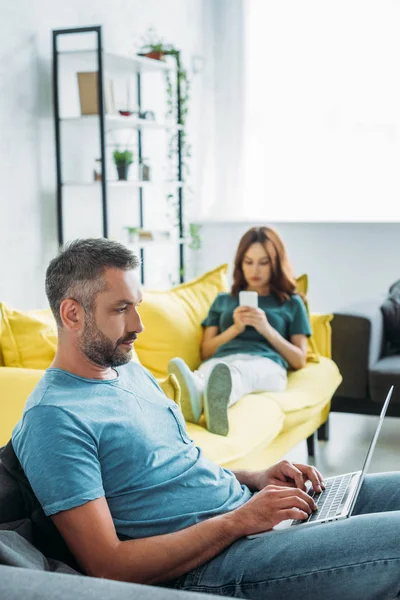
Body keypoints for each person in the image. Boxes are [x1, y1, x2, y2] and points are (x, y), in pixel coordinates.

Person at [12, 238, 400, 600]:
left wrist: (255, 477)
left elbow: (179, 466)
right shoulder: (54, 418)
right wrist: (238, 522)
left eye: (137, 306)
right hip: (216, 563)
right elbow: (108, 566)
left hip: (247, 512)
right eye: (120, 309)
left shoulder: (126, 367)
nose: (138, 326)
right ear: (72, 313)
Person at [168, 226, 311, 436]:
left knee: (237, 373)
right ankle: (198, 394)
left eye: (264, 263)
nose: (255, 270)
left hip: (266, 364)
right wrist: (235, 329)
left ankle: (213, 401)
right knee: (210, 372)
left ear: (276, 264)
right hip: (221, 360)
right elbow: (206, 351)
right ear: (240, 263)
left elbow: (299, 359)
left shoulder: (291, 303)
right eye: (248, 262)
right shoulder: (223, 300)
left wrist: (266, 329)